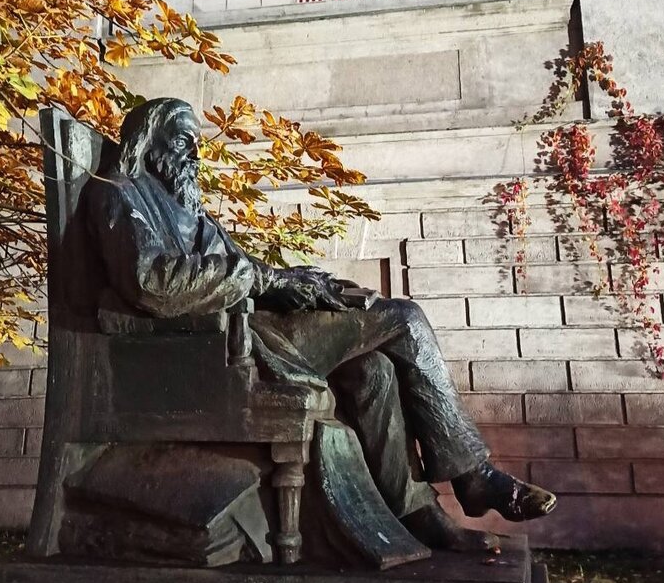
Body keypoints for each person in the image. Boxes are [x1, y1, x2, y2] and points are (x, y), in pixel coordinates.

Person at [86, 96, 556, 552]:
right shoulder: (118, 192)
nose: (194, 153)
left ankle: (418, 514)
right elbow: (152, 282)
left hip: (248, 334)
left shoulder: (188, 210)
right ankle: (473, 476)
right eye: (183, 140)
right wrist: (256, 277)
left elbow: (244, 266)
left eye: (196, 143)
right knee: (405, 320)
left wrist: (294, 281)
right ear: (150, 141)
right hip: (211, 354)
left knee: (374, 371)